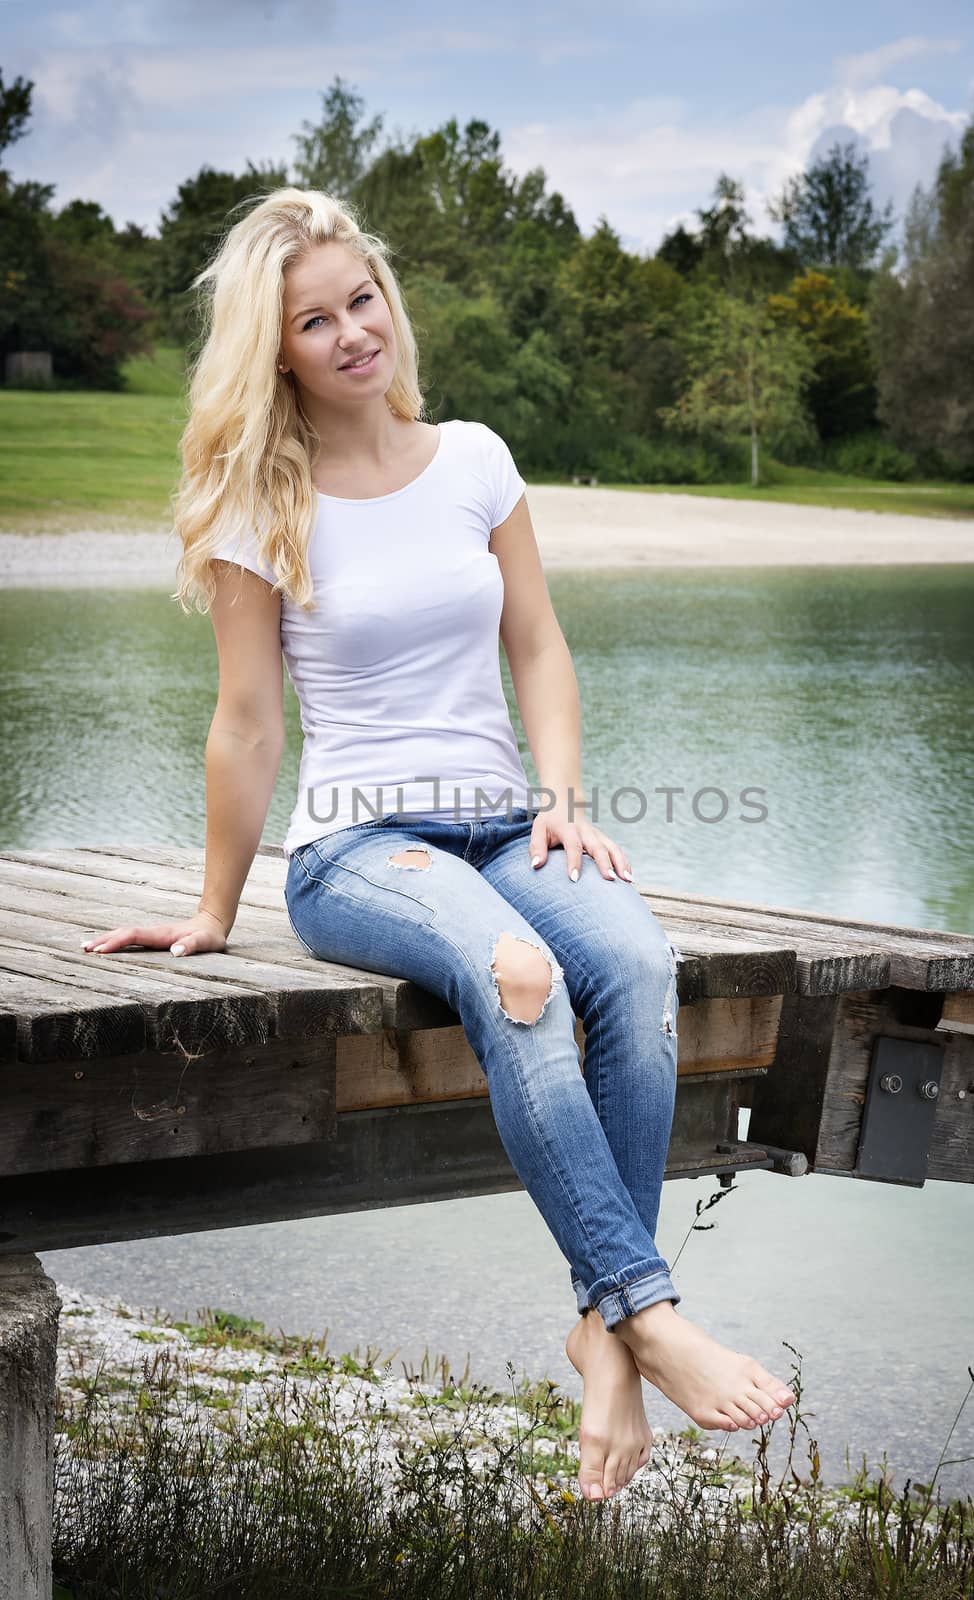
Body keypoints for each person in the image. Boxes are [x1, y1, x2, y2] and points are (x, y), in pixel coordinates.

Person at [80, 187, 795, 1502]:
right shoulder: (260, 505)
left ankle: (605, 1333)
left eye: (365, 300)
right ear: (276, 348)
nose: (356, 332)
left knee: (632, 968)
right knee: (520, 976)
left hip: (502, 826)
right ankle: (645, 1313)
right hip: (357, 853)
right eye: (317, 318)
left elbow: (538, 640)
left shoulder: (475, 457)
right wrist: (210, 905)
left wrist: (563, 796)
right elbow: (245, 724)